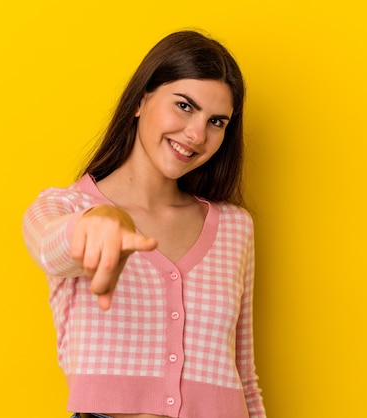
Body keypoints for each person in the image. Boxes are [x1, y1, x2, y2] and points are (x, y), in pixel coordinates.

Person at [22, 29, 266, 418]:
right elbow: (51, 247)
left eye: (217, 121)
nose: (198, 134)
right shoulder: (65, 206)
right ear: (139, 101)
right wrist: (96, 221)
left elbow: (244, 372)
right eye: (185, 106)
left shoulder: (235, 228)